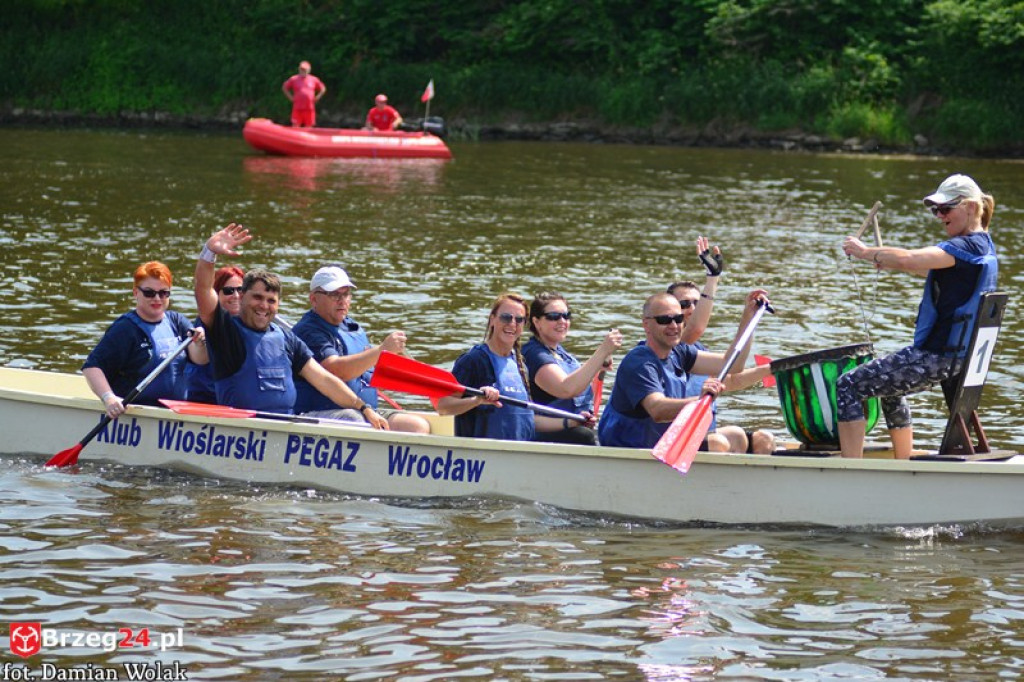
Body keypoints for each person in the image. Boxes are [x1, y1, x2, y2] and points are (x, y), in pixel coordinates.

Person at [839, 173, 998, 458]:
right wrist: (885, 259)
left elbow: (909, 257)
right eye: (936, 210)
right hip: (960, 361)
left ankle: (850, 469)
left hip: (937, 357)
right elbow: (927, 269)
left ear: (971, 207)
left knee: (848, 385)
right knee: (889, 387)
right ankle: (904, 461)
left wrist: (865, 252)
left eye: (946, 209)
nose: (940, 216)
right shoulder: (984, 246)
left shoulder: (963, 247)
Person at [193, 223, 388, 429]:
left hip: (286, 428)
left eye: (271, 300)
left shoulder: (287, 339)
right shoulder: (226, 332)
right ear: (241, 297)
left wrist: (364, 407)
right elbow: (203, 289)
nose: (264, 306)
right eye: (257, 297)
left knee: (356, 418)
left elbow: (325, 380)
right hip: (242, 430)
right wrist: (209, 253)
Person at [598, 289, 770, 450]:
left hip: (661, 440)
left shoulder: (680, 351)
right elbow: (657, 409)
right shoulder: (640, 363)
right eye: (664, 320)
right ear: (646, 325)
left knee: (737, 436)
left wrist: (749, 318)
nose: (673, 325)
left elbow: (733, 364)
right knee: (717, 443)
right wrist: (699, 400)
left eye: (678, 319)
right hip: (629, 447)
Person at [667, 238, 775, 454]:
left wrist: (772, 369)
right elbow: (694, 329)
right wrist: (712, 279)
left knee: (761, 438)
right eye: (685, 304)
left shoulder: (699, 350)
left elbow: (732, 377)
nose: (692, 308)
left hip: (700, 432)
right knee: (719, 443)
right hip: (668, 435)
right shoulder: (670, 346)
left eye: (697, 303)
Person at [291, 265, 430, 433]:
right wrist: (381, 350)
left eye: (346, 294)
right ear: (314, 299)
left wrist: (413, 372)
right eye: (334, 294)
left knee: (416, 425)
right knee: (356, 421)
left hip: (365, 410)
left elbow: (369, 372)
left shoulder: (352, 328)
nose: (342, 300)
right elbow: (336, 371)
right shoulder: (309, 331)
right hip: (322, 413)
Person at [82, 261, 208, 420]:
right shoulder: (125, 329)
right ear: (136, 293)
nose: (157, 298)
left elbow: (200, 359)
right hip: (138, 416)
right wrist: (109, 398)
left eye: (163, 293)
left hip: (174, 417)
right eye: (149, 293)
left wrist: (200, 341)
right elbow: (92, 367)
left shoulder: (176, 321)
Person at [436, 292, 563, 440]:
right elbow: (443, 406)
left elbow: (527, 417)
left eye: (519, 319)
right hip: (483, 455)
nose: (512, 324)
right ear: (492, 320)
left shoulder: (521, 364)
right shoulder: (473, 360)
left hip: (520, 452)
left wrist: (570, 422)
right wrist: (476, 400)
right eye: (506, 317)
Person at [522, 292, 623, 445]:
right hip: (542, 435)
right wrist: (602, 351)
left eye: (566, 315)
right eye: (554, 316)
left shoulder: (561, 353)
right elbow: (566, 389)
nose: (562, 321)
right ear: (537, 322)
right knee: (584, 436)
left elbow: (579, 386)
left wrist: (598, 367)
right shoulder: (535, 354)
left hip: (573, 429)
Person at [185, 265, 245, 404]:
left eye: (240, 290)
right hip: (206, 399)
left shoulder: (248, 323)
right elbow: (198, 354)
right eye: (228, 291)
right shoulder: (207, 323)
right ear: (216, 294)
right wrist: (200, 343)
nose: (236, 296)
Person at [281, 61, 326, 128]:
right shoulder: (294, 79)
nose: (303, 71)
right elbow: (285, 87)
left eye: (305, 69)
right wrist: (290, 97)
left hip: (309, 108)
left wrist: (318, 97)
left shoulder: (314, 79)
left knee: (309, 127)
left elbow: (322, 88)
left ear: (309, 70)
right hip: (297, 107)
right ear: (299, 69)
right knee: (295, 126)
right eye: (301, 69)